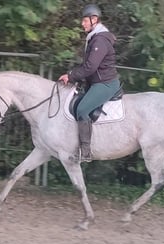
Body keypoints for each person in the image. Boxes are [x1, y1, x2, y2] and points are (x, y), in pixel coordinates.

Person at [58, 3, 120, 162]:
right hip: (97, 82)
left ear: (94, 20)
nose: (82, 23)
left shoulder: (100, 40)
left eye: (85, 20)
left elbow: (91, 67)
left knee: (82, 109)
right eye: (83, 20)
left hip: (106, 84)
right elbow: (89, 67)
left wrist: (71, 76)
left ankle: (85, 152)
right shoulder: (94, 38)